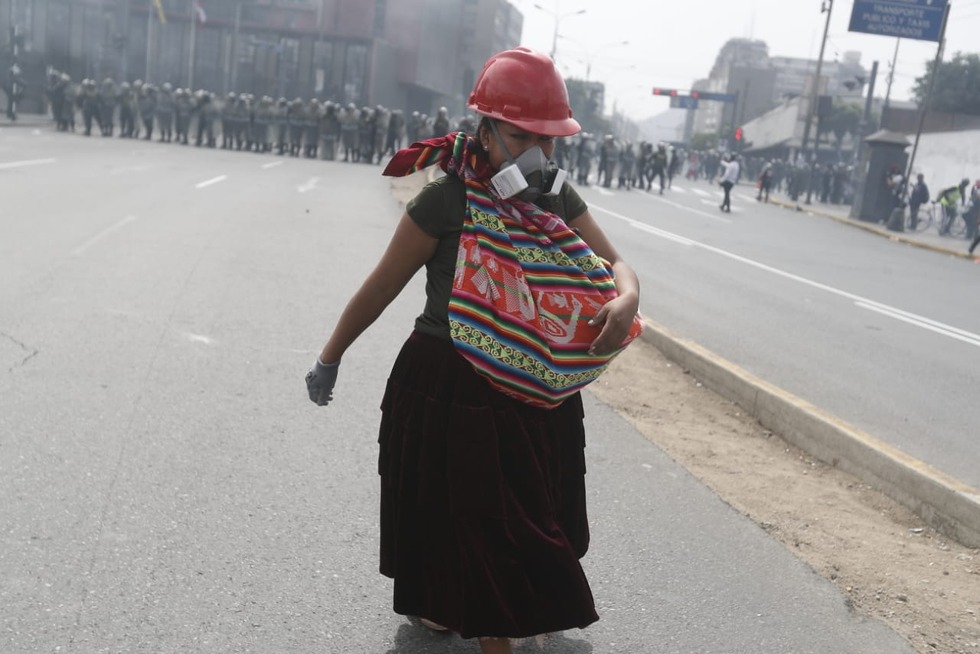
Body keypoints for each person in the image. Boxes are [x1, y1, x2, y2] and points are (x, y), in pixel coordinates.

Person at [305, 47, 641, 654]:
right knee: (457, 516)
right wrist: (331, 355)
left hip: (536, 390)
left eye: (550, 140)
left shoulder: (556, 198)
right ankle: (457, 608)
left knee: (513, 521)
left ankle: (498, 619)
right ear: (485, 134)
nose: (538, 154)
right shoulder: (446, 201)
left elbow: (615, 263)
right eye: (521, 135)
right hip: (450, 385)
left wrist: (626, 300)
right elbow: (381, 286)